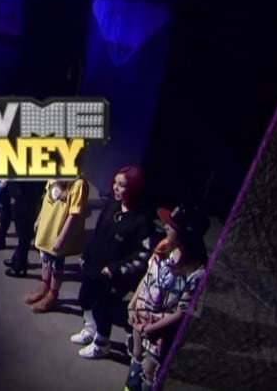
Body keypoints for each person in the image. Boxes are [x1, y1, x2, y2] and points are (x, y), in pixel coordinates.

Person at [71, 166, 156, 359]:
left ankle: (102, 344)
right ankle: (90, 329)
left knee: (103, 308)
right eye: (115, 183)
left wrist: (115, 269)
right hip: (94, 266)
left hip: (114, 276)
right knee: (84, 298)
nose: (115, 188)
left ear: (133, 189)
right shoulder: (112, 205)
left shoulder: (142, 221)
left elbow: (142, 255)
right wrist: (86, 254)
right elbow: (98, 232)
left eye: (121, 185)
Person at [125, 205, 208, 391]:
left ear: (185, 234)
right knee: (136, 357)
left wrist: (151, 328)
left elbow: (182, 312)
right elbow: (148, 276)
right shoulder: (164, 246)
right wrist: (132, 304)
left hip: (161, 331)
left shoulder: (196, 272)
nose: (165, 226)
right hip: (140, 319)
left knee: (150, 371)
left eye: (171, 225)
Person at [26, 177, 89, 313]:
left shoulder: (78, 184)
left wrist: (61, 238)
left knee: (56, 265)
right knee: (45, 260)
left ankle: (52, 295)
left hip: (58, 231)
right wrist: (39, 219)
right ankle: (44, 286)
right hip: (46, 229)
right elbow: (46, 199)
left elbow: (74, 215)